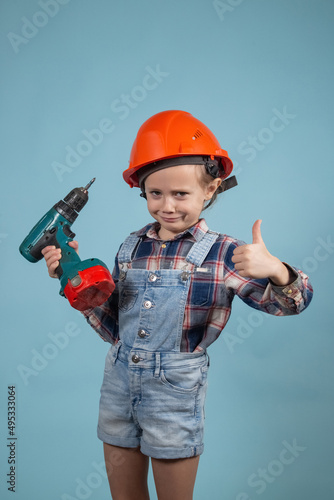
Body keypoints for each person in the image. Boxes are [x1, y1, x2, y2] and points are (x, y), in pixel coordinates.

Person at [41, 110, 313, 500]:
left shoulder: (225, 254)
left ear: (211, 189)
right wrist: (73, 280)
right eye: (156, 193)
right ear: (143, 190)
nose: (167, 205)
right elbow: (114, 326)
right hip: (119, 382)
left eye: (181, 194)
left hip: (174, 393)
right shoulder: (131, 246)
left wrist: (277, 271)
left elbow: (293, 303)